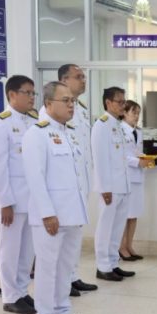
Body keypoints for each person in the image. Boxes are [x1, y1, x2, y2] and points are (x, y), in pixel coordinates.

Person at [22, 82, 93, 314]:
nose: (71, 105)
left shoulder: (70, 133)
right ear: (49, 103)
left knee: (65, 267)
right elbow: (35, 177)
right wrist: (47, 213)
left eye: (72, 100)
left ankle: (63, 311)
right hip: (50, 216)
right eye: (66, 100)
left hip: (72, 213)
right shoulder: (36, 134)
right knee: (47, 268)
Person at [0, 75, 38, 314]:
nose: (32, 97)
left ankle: (22, 290)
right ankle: (9, 296)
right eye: (27, 93)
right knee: (10, 249)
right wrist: (5, 201)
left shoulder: (34, 122)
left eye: (33, 93)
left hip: (32, 199)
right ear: (12, 95)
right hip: (13, 200)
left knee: (27, 251)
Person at [56, 64, 98, 295]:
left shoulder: (79, 109)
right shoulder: (53, 113)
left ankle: (72, 275)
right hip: (65, 187)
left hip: (80, 183)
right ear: (64, 80)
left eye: (84, 77)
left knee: (74, 235)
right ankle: (63, 280)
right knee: (62, 239)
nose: (84, 80)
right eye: (78, 77)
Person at [92, 87, 135, 281]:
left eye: (124, 101)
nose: (123, 105)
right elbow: (100, 159)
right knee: (105, 228)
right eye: (119, 101)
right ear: (108, 103)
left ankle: (113, 262)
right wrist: (104, 188)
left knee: (117, 228)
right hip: (110, 188)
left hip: (122, 186)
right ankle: (102, 266)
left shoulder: (118, 125)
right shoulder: (101, 126)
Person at [119, 100, 151, 261]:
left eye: (138, 113)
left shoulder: (138, 131)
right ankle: (121, 247)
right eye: (134, 113)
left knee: (134, 214)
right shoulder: (119, 130)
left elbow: (137, 151)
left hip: (137, 177)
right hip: (126, 177)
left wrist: (146, 159)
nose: (137, 116)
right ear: (124, 113)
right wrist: (138, 162)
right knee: (125, 215)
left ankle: (129, 245)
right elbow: (121, 156)